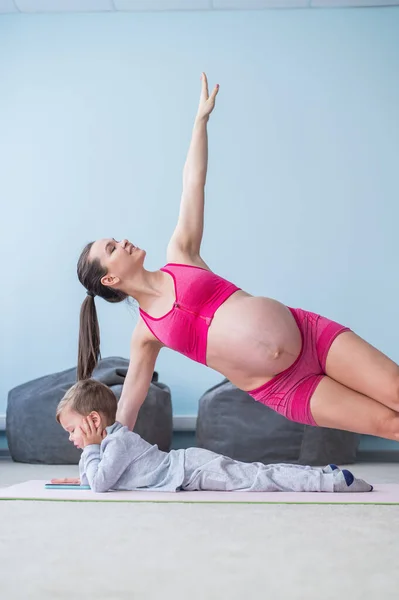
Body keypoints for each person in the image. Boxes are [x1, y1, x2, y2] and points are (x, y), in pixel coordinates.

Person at [75, 72, 399, 442]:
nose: (123, 241)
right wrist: (97, 453)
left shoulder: (181, 254)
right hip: (285, 387)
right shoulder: (146, 334)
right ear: (110, 280)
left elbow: (193, 182)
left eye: (115, 239)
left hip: (310, 334)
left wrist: (200, 122)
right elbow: (130, 404)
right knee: (389, 424)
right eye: (112, 248)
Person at [52, 379, 372, 494]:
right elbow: (92, 476)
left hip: (194, 470)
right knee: (261, 473)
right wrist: (87, 456)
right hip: (191, 469)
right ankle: (324, 475)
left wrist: (91, 448)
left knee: (261, 478)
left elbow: (99, 484)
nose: (70, 438)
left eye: (71, 430)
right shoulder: (108, 444)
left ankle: (330, 481)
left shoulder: (116, 442)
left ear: (94, 420)